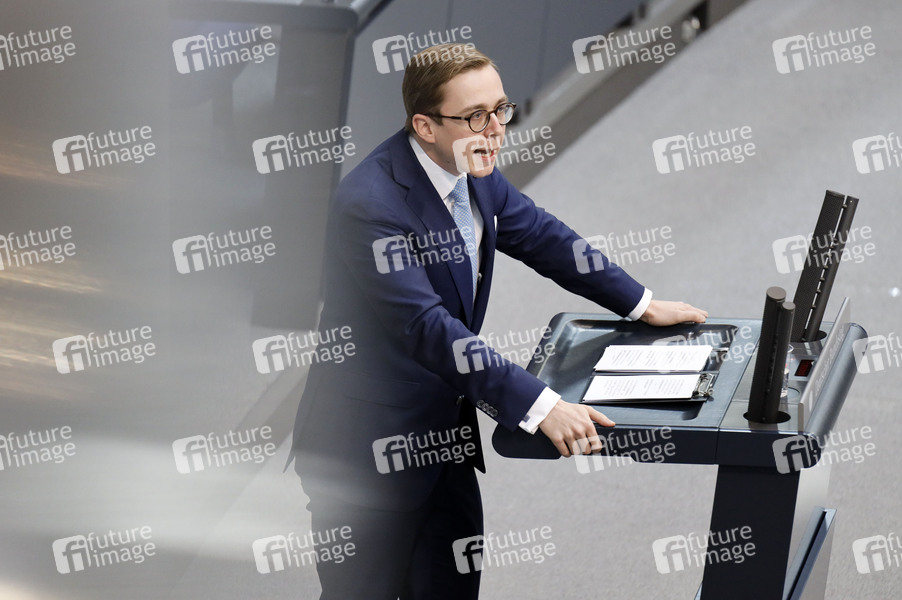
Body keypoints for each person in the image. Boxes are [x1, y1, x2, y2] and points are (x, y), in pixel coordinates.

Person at [290, 43, 707, 600]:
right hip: (366, 454)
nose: (495, 130)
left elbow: (542, 236)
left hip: (444, 434)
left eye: (500, 110)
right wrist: (541, 406)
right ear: (425, 126)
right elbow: (426, 327)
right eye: (475, 116)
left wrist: (640, 304)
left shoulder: (474, 167)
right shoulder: (370, 206)